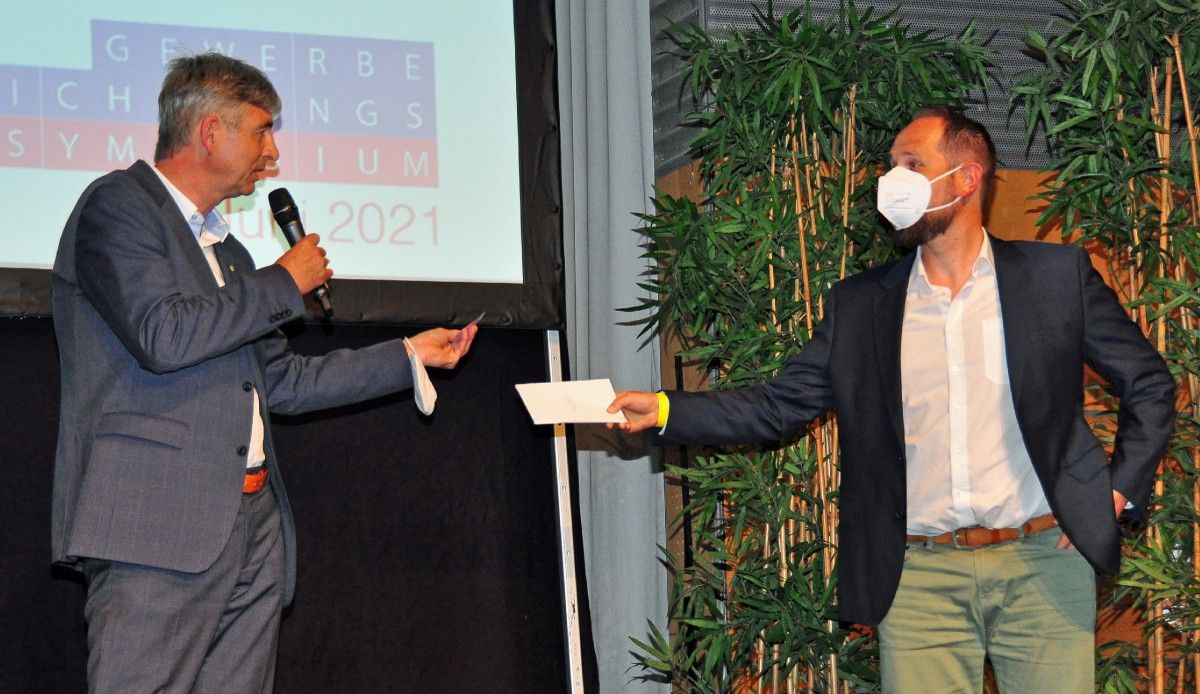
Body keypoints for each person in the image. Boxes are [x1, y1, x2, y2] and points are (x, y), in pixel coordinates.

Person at [610, 107, 1175, 692]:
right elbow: (776, 406)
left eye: (912, 164)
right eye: (890, 166)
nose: (891, 180)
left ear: (966, 177)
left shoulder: (1056, 277)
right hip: (919, 578)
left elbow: (1150, 385)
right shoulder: (861, 306)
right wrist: (667, 409)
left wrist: (1113, 493)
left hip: (1043, 562)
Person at [50, 52, 477, 692]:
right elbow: (162, 336)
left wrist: (409, 354)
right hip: (155, 525)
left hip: (252, 526)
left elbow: (282, 381)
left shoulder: (230, 252)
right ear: (210, 132)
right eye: (262, 131)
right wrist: (283, 280)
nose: (272, 153)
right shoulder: (118, 207)